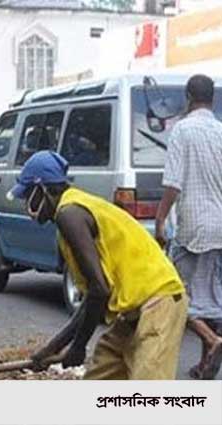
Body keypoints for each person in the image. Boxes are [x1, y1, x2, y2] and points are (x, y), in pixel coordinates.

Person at [11, 151, 187, 379]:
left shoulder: (69, 214)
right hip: (132, 311)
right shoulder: (73, 209)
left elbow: (99, 290)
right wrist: (52, 348)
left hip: (158, 302)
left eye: (28, 196)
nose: (27, 204)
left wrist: (78, 346)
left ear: (43, 189)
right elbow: (91, 297)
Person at [155, 74, 222, 380]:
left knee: (177, 293)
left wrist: (159, 221)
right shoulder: (221, 131)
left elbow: (173, 184)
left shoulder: (182, 130)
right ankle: (206, 364)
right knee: (213, 294)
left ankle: (211, 340)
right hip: (220, 227)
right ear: (212, 98)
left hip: (193, 227)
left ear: (188, 97)